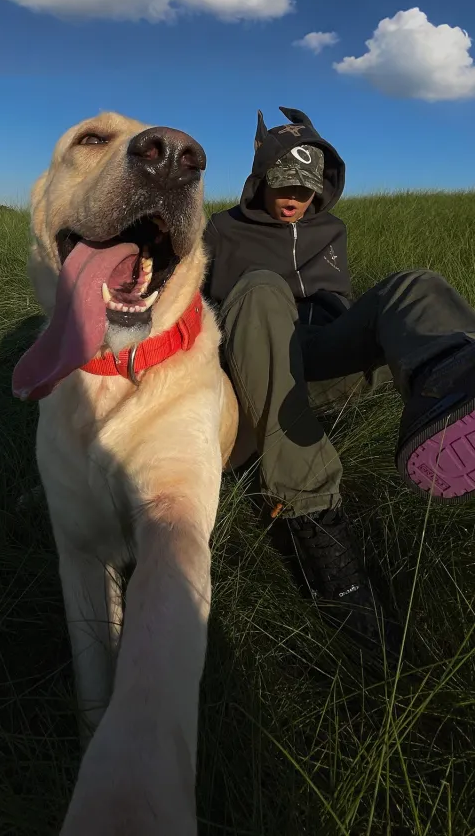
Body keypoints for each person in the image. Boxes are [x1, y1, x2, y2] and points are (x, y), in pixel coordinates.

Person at [203, 106, 475, 650]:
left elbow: (344, 306)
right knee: (258, 286)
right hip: (248, 370)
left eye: (307, 190)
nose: (295, 199)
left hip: (322, 361)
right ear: (259, 179)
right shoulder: (221, 230)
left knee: (414, 284)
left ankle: (448, 380)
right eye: (283, 185)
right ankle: (318, 530)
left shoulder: (332, 229)